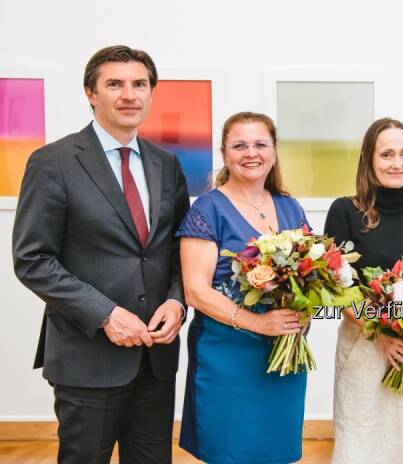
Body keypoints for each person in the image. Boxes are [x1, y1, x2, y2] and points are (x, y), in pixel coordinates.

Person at [11, 45, 190, 463]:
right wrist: (106, 314)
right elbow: (33, 259)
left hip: (156, 358)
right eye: (115, 84)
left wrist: (177, 301)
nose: (129, 94)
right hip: (87, 357)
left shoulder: (167, 164)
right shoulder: (53, 162)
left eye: (139, 84)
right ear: (91, 94)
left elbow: (179, 248)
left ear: (150, 93)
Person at [177, 112, 311, 463]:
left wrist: (304, 311)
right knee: (232, 452)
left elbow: (311, 273)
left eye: (260, 144)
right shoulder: (207, 210)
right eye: (240, 145)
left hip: (284, 358)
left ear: (274, 151)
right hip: (227, 359)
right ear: (225, 153)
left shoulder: (289, 206)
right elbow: (195, 292)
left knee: (277, 451)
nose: (251, 153)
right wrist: (259, 323)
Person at [324, 117, 403, 464]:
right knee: (362, 441)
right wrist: (380, 336)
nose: (398, 163)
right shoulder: (345, 210)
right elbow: (337, 288)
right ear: (369, 160)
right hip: (364, 349)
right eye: (387, 154)